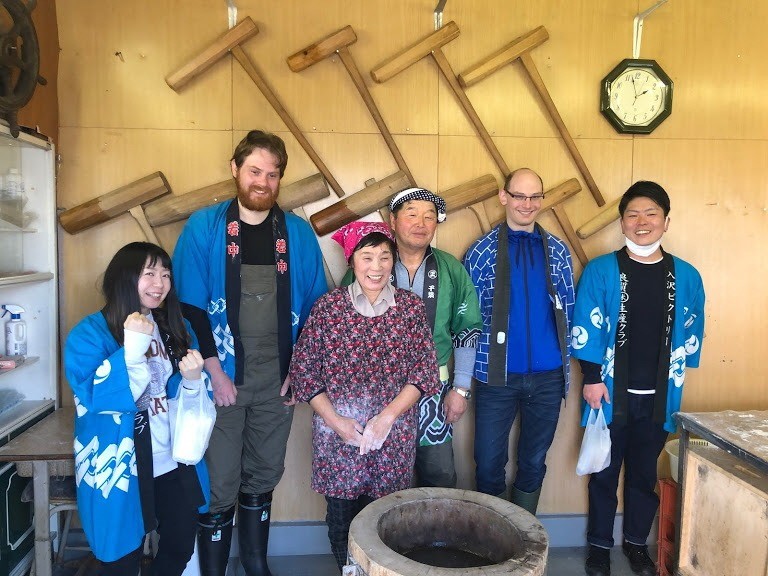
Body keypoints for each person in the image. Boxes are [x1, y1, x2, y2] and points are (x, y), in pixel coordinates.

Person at [172, 130, 328, 576]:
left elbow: (317, 309)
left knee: (263, 472)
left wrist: (299, 371)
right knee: (218, 477)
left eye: (272, 174)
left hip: (278, 378)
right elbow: (189, 307)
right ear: (235, 170)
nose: (263, 182)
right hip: (219, 374)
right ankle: (214, 570)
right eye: (255, 171)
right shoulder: (204, 227)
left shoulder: (297, 233)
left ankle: (256, 562)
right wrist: (215, 373)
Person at [289, 221, 441, 571]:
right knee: (341, 518)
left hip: (393, 434)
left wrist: (387, 418)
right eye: (367, 257)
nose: (376, 267)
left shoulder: (410, 308)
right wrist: (337, 422)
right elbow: (304, 373)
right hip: (338, 435)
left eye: (385, 257)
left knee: (385, 519)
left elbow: (424, 372)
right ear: (352, 260)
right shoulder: (329, 308)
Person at [571, 181, 705, 576]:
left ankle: (635, 545)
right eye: (632, 214)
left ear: (666, 221)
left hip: (660, 395)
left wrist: (681, 368)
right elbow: (586, 324)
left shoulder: (686, 275)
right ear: (622, 223)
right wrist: (591, 377)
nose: (641, 222)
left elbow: (692, 328)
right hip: (609, 392)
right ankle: (599, 547)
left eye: (651, 214)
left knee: (644, 476)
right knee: (603, 474)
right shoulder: (601, 270)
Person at [64, 242, 212, 576]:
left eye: (165, 274)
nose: (160, 283)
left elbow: (194, 394)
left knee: (180, 547)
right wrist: (131, 351)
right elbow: (95, 398)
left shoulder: (176, 326)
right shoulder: (88, 334)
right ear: (124, 278)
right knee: (120, 559)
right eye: (149, 273)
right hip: (120, 465)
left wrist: (193, 381)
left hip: (174, 460)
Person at [341, 188, 482, 488]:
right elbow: (343, 330)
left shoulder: (450, 268)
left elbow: (467, 329)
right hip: (376, 393)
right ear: (392, 220)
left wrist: (461, 389)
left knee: (439, 474)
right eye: (412, 214)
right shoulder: (369, 265)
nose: (421, 223)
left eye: (429, 217)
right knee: (378, 478)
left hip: (434, 390)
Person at [464, 168, 574, 515]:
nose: (527, 204)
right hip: (495, 376)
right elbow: (467, 320)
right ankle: (494, 538)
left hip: (548, 377)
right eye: (519, 196)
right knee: (488, 463)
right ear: (504, 197)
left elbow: (569, 311)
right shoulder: (481, 252)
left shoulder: (558, 251)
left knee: (534, 461)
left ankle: (524, 536)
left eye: (534, 197)